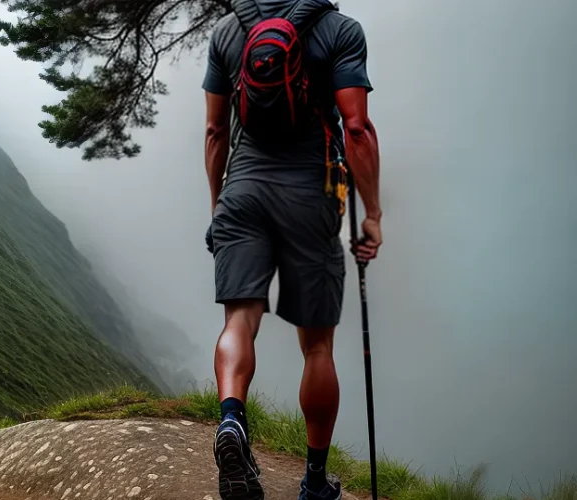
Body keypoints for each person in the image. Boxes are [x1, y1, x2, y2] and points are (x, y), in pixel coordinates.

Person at [202, 0, 382, 499]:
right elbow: (358, 129)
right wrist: (372, 214)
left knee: (239, 321)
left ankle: (232, 420)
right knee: (317, 346)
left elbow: (216, 130)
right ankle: (316, 482)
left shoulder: (228, 31)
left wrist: (219, 207)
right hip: (314, 195)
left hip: (243, 191)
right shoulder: (340, 30)